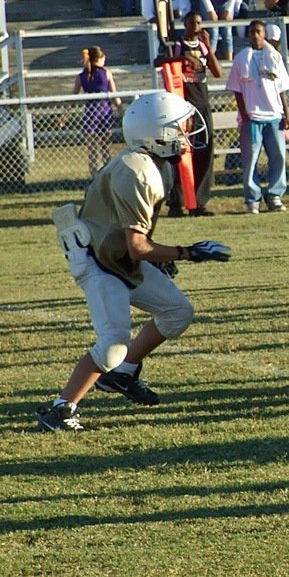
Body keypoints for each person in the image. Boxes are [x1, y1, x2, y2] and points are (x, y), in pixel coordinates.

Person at [37, 91, 229, 432]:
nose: (187, 131)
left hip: (119, 255)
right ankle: (60, 409)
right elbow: (138, 246)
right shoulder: (136, 171)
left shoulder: (156, 166)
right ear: (157, 134)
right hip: (99, 260)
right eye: (179, 126)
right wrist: (187, 252)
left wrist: (160, 256)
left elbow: (138, 240)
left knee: (177, 312)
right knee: (112, 343)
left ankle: (122, 375)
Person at [227, 20, 289, 214]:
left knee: (278, 156)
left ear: (264, 34)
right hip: (252, 117)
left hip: (273, 115)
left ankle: (275, 195)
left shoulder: (274, 57)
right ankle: (252, 199)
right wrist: (244, 113)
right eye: (252, 32)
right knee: (250, 159)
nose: (255, 35)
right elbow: (236, 89)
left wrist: (286, 113)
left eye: (259, 32)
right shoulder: (241, 59)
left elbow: (281, 88)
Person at [169, 12, 222, 217]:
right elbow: (161, 61)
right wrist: (184, 57)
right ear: (186, 24)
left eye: (199, 23)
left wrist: (208, 50)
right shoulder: (178, 44)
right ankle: (177, 201)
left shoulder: (201, 46)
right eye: (192, 22)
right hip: (182, 106)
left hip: (202, 104)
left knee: (204, 153)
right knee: (180, 154)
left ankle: (198, 202)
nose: (196, 26)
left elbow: (217, 72)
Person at [59, 46, 121, 177]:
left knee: (92, 150)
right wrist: (121, 111)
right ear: (98, 59)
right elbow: (115, 96)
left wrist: (64, 117)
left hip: (90, 112)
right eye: (103, 58)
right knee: (105, 148)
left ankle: (94, 177)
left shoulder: (81, 76)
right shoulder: (106, 73)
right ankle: (108, 175)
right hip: (104, 111)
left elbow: (72, 99)